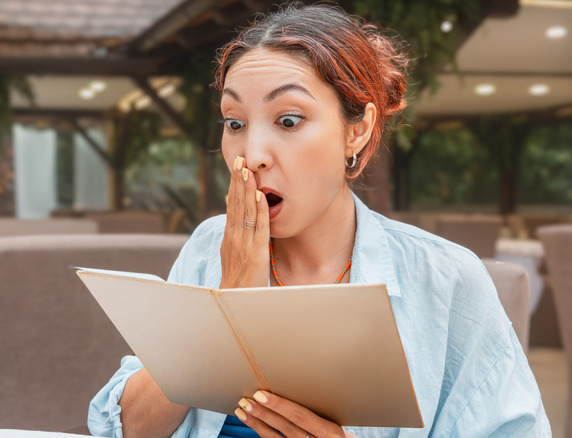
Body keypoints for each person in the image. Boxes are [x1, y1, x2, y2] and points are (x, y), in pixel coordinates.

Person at [88, 3, 550, 437]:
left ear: (357, 130)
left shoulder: (446, 278)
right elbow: (125, 427)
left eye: (288, 121)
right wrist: (225, 303)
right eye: (234, 123)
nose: (252, 155)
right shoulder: (212, 246)